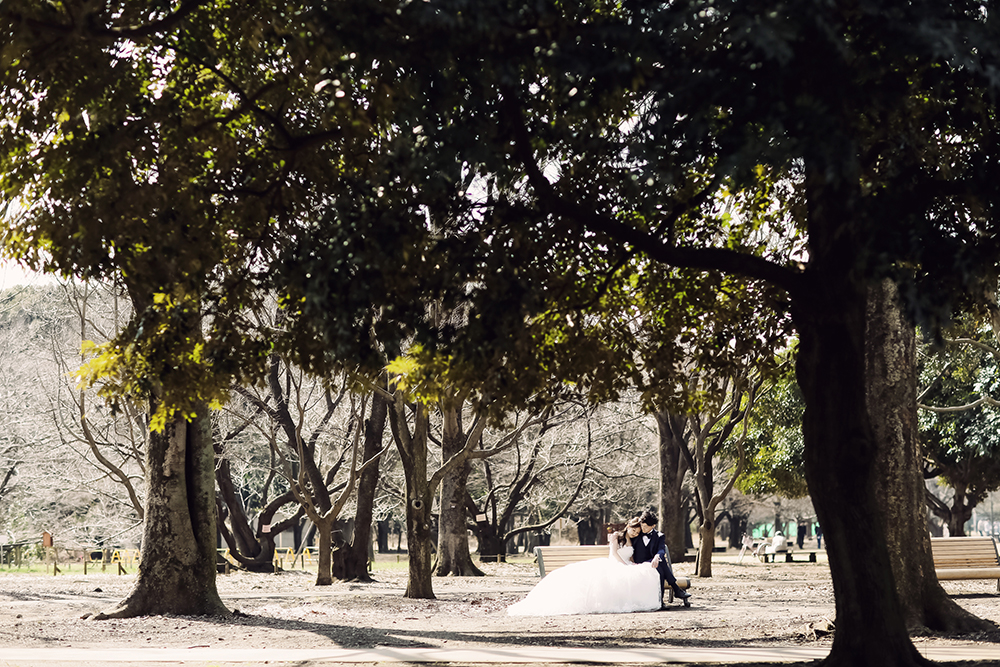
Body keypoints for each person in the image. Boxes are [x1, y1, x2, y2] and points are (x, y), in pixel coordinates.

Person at [507, 518, 661, 615]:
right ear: (627, 526)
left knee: (644, 572)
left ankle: (638, 602)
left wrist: (632, 563)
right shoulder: (616, 536)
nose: (635, 533)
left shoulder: (633, 541)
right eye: (633, 530)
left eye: (637, 532)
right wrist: (624, 565)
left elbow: (631, 555)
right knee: (618, 576)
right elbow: (614, 553)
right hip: (615, 563)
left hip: (626, 563)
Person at [632, 509, 691, 607]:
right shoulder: (636, 534)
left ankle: (661, 601)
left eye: (646, 526)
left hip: (653, 565)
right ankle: (675, 590)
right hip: (639, 564)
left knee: (660, 570)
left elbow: (661, 549)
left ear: (653, 526)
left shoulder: (659, 536)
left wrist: (657, 556)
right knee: (661, 563)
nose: (643, 528)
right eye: (642, 525)